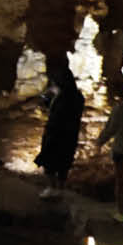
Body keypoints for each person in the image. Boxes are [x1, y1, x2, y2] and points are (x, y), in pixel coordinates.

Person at [36, 63, 84, 197]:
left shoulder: (63, 98)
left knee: (49, 160)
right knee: (64, 162)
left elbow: (57, 116)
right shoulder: (78, 96)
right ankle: (60, 189)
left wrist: (49, 102)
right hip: (70, 135)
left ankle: (52, 188)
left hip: (57, 133)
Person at [94, 89, 123, 223]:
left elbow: (111, 129)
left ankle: (122, 213)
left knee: (122, 183)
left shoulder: (121, 108)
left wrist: (100, 142)